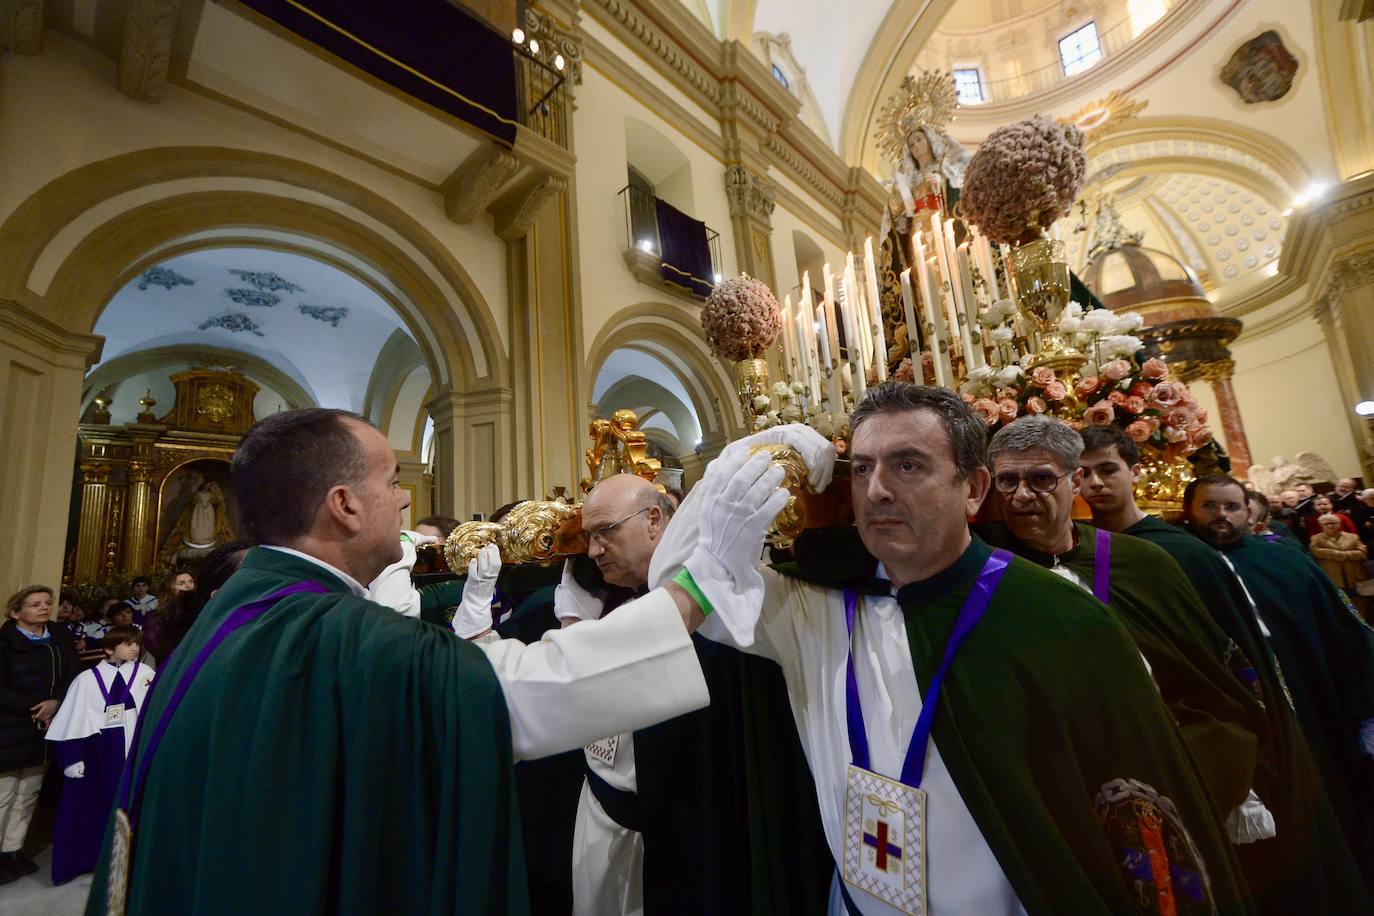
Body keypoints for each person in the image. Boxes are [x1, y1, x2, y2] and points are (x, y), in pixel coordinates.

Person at [84, 407, 784, 914]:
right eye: (392, 480)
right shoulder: (328, 634)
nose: (405, 498)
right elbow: (518, 696)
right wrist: (702, 579)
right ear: (344, 505)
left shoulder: (241, 611)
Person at [651, 383, 1254, 914]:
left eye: (907, 465)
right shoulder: (814, 610)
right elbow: (674, 581)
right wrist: (757, 451)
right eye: (861, 469)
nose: (878, 490)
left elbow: (1144, 835)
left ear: (974, 488)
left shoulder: (1060, 618)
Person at [451, 474, 831, 916]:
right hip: (598, 819)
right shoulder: (577, 601)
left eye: (605, 532)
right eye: (588, 537)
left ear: (655, 519)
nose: (593, 550)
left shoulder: (724, 615)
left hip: (685, 832)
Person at [1079, 424, 1373, 911]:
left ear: (1134, 473)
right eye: (1082, 474)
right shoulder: (1080, 553)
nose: (1094, 485)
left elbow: (1235, 656)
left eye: (1107, 470)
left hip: (1228, 737)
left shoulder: (1180, 552)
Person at [985, 416, 1268, 831]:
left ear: (1075, 480)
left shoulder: (1142, 562)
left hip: (1157, 767)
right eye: (1007, 481)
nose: (1021, 495)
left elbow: (1208, 683)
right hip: (1055, 788)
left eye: (1041, 479)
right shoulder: (986, 567)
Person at [1182, 475, 1374, 890]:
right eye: (1210, 506)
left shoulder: (1282, 558)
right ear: (1189, 511)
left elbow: (1343, 630)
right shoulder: (1183, 564)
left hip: (1313, 704)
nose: (1221, 516)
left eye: (1232, 507)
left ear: (1250, 512)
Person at [45, 625, 153, 884]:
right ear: (108, 648)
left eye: (137, 643)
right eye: (128, 643)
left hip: (136, 749)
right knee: (91, 806)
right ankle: (88, 859)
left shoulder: (146, 674)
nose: (135, 648)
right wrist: (71, 757)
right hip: (98, 753)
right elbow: (72, 720)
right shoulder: (87, 679)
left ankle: (133, 862)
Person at [0, 586, 79, 885]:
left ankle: (12, 851)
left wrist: (56, 702)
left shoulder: (59, 638)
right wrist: (35, 707)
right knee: (4, 794)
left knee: (28, 792)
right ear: (16, 612)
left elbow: (73, 674)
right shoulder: (4, 642)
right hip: (10, 726)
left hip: (44, 728)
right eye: (35, 605)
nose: (44, 608)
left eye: (47, 603)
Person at [143, 543, 251, 664]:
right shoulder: (156, 616)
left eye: (191, 581)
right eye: (181, 583)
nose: (188, 585)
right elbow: (157, 646)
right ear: (169, 588)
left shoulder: (202, 607)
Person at [1309, 514, 1369, 614]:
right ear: (1321, 525)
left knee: (1358, 602)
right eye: (1326, 524)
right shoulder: (1316, 539)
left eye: (1333, 523)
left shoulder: (1352, 537)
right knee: (1338, 603)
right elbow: (1315, 551)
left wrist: (1345, 555)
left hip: (1353, 576)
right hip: (1332, 577)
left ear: (1339, 524)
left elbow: (1363, 552)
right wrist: (1337, 554)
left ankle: (1362, 623)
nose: (1330, 526)